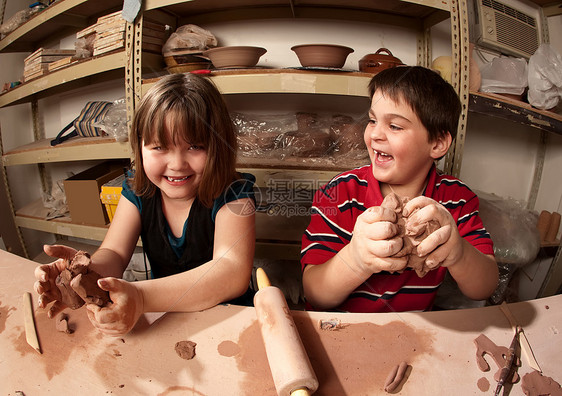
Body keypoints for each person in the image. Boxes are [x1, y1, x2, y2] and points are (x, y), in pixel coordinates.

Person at [35, 73, 256, 335]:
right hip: (166, 315)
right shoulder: (138, 189)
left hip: (229, 319)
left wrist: (140, 297)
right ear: (139, 147)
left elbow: (230, 271)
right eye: (160, 147)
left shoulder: (236, 193)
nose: (176, 164)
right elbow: (114, 253)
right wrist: (83, 273)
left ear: (219, 146)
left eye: (195, 146)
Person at [301, 66, 498, 312]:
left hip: (413, 334)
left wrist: (458, 253)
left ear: (437, 143)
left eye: (395, 126)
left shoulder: (456, 200)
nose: (375, 135)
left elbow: (485, 287)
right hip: (341, 328)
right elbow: (315, 293)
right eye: (372, 120)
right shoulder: (341, 193)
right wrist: (356, 260)